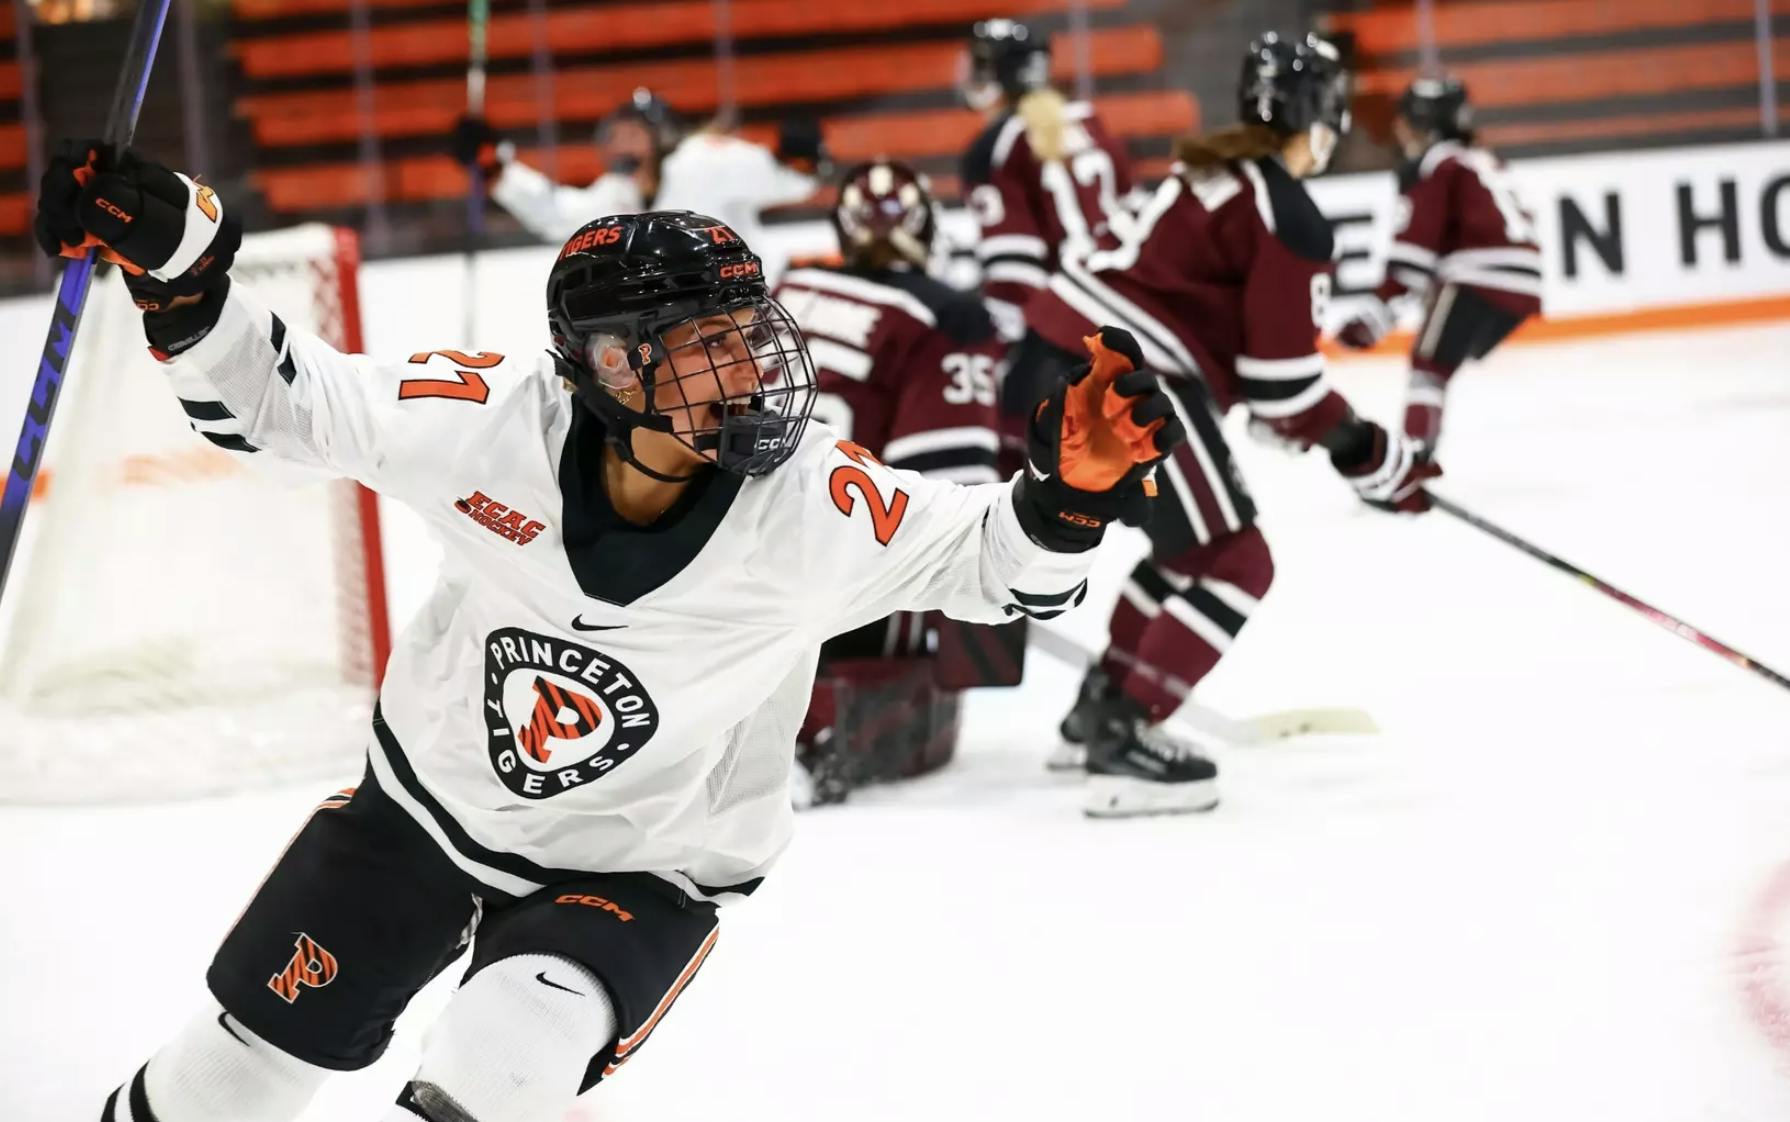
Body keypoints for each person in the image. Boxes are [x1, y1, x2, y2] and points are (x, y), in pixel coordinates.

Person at [35, 137, 1184, 1121]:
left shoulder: (811, 508)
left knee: (502, 1054)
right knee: (223, 1081)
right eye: (708, 341)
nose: (750, 365)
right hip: (423, 814)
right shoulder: (487, 421)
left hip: (644, 866)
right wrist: (184, 272)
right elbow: (279, 403)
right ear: (612, 365)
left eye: (750, 329)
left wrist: (1063, 499)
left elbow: (1000, 566)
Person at [1016, 32, 1441, 817]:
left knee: (1187, 550)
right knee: (1238, 561)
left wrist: (1307, 422)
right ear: (1320, 118)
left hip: (1047, 358)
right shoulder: (1289, 212)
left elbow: (1245, 363)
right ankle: (1124, 736)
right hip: (1126, 383)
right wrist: (1368, 453)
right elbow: (1283, 389)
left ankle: (1099, 710)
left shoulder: (1202, 168)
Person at [773, 159, 1008, 803]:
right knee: (927, 544)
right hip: (843, 581)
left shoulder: (791, 290)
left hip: (728, 546)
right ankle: (811, 736)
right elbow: (948, 495)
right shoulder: (948, 317)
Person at [1334, 75, 1542, 452]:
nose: (1399, 129)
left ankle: (1415, 459)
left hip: (1480, 276)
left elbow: (1413, 254)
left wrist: (1373, 316)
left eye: (1406, 119)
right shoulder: (1484, 160)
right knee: (1437, 356)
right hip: (1526, 285)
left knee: (1429, 366)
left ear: (1422, 123)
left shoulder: (1436, 165)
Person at [455, 87, 825, 277]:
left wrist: (801, 158)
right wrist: (497, 168)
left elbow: (787, 180)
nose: (620, 142)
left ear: (660, 134)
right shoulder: (621, 192)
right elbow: (558, 214)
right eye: (617, 134)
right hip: (690, 321)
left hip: (753, 308)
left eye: (632, 132)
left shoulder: (702, 161)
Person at [958, 18, 1136, 350]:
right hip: (1132, 302)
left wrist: (1015, 353)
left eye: (980, 63)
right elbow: (1135, 210)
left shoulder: (997, 145)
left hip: (1070, 320)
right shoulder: (1088, 119)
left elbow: (1013, 270)